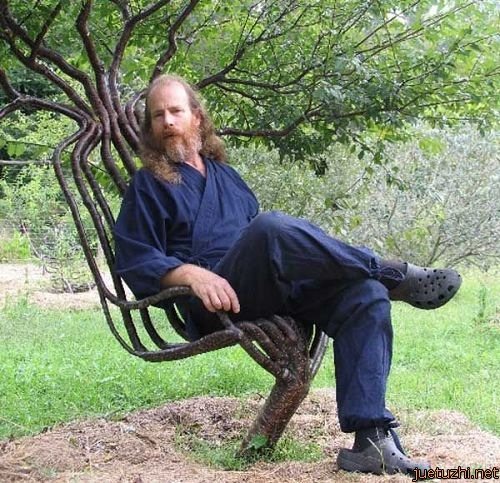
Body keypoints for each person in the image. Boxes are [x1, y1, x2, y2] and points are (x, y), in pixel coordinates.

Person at [114, 74, 462, 476]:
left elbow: (264, 248)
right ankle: (390, 271)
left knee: (365, 295)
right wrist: (191, 274)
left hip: (265, 287)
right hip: (212, 302)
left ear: (197, 117)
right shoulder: (148, 185)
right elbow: (136, 259)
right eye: (158, 116)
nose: (168, 122)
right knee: (269, 228)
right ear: (151, 128)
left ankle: (371, 440)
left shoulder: (227, 178)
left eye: (176, 111)